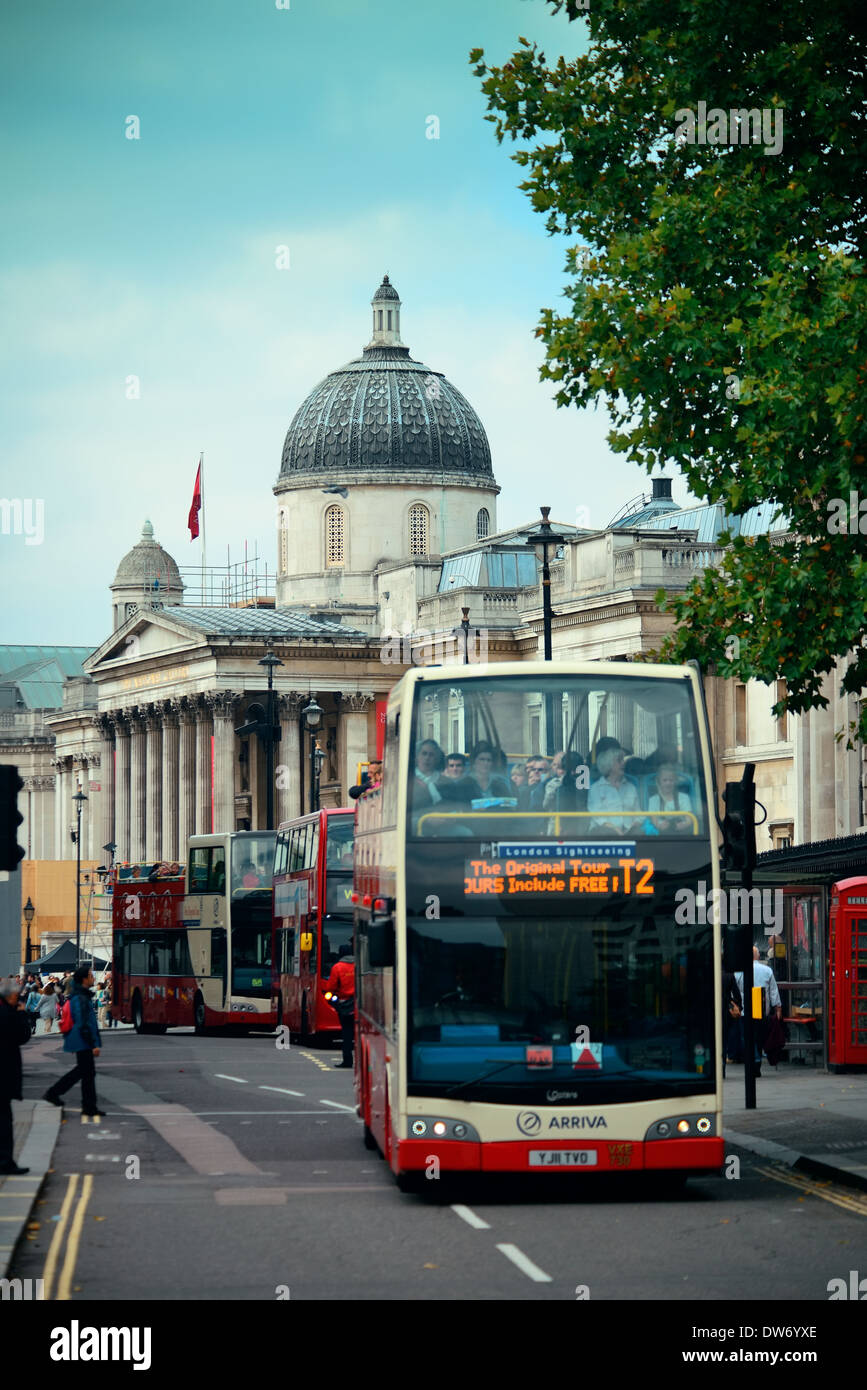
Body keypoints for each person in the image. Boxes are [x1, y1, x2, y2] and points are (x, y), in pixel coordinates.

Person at [42, 966, 106, 1117]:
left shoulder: (81, 995)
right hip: (82, 1040)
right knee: (85, 1072)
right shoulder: (80, 997)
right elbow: (83, 1022)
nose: (93, 978)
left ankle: (87, 1106)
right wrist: (92, 1044)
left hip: (82, 1040)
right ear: (84, 979)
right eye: (91, 976)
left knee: (85, 1072)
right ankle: (55, 1094)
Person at [735, 947, 782, 1079]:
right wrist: (778, 1007)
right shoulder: (767, 970)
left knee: (747, 1037)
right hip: (762, 1010)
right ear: (758, 956)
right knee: (759, 1037)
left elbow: (735, 990)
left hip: (745, 1010)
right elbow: (773, 990)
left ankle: (755, 1060)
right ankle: (757, 1059)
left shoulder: (739, 971)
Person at [0, 978, 32, 1174]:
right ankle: (5, 1162)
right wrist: (22, 1015)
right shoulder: (8, 1014)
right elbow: (22, 1036)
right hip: (4, 1074)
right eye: (17, 994)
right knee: (4, 1120)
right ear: (11, 995)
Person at [587, 745, 642, 835]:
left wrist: (633, 827)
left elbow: (638, 813)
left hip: (629, 832)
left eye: (623, 760)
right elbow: (599, 818)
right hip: (604, 832)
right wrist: (617, 831)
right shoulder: (596, 789)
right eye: (619, 760)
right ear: (608, 764)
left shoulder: (631, 787)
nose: (623, 763)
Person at [325, 943, 355, 1068]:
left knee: (347, 1034)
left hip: (345, 1005)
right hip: (360, 1005)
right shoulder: (358, 965)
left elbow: (330, 988)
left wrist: (334, 1001)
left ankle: (347, 1061)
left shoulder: (337, 967)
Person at [647, 763, 694, 833]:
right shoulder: (653, 800)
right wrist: (659, 826)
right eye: (664, 780)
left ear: (675, 781)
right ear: (658, 782)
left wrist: (685, 825)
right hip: (661, 833)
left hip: (682, 831)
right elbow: (654, 819)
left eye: (671, 780)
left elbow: (689, 819)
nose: (668, 783)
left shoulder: (684, 798)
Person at [722, 966, 742, 1078]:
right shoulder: (729, 975)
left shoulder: (708, 974)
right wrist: (735, 1004)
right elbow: (737, 995)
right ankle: (722, 1067)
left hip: (711, 1013)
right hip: (725, 1013)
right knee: (724, 1040)